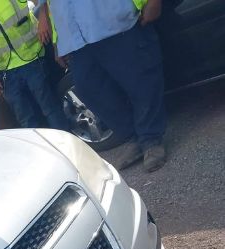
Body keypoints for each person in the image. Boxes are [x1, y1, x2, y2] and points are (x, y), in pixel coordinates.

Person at [40, 0, 167, 172]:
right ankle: (134, 137)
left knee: (139, 81)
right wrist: (58, 40)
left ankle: (151, 139)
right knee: (89, 89)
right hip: (75, 38)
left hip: (115, 22)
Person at [0, 0, 68, 130]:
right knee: (27, 121)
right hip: (5, 73)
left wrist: (43, 19)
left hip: (32, 58)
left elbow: (41, 2)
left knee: (50, 108)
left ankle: (66, 146)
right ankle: (42, 149)